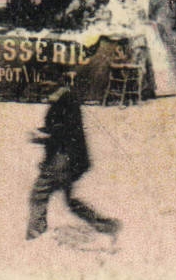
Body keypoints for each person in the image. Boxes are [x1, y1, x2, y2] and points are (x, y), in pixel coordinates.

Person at [27, 77, 120, 240]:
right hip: (69, 158)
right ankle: (105, 225)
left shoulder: (65, 101)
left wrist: (43, 136)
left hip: (63, 158)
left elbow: (64, 132)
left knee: (39, 194)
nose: (43, 84)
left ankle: (35, 234)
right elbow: (60, 127)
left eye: (47, 81)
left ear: (59, 82)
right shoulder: (64, 100)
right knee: (70, 201)